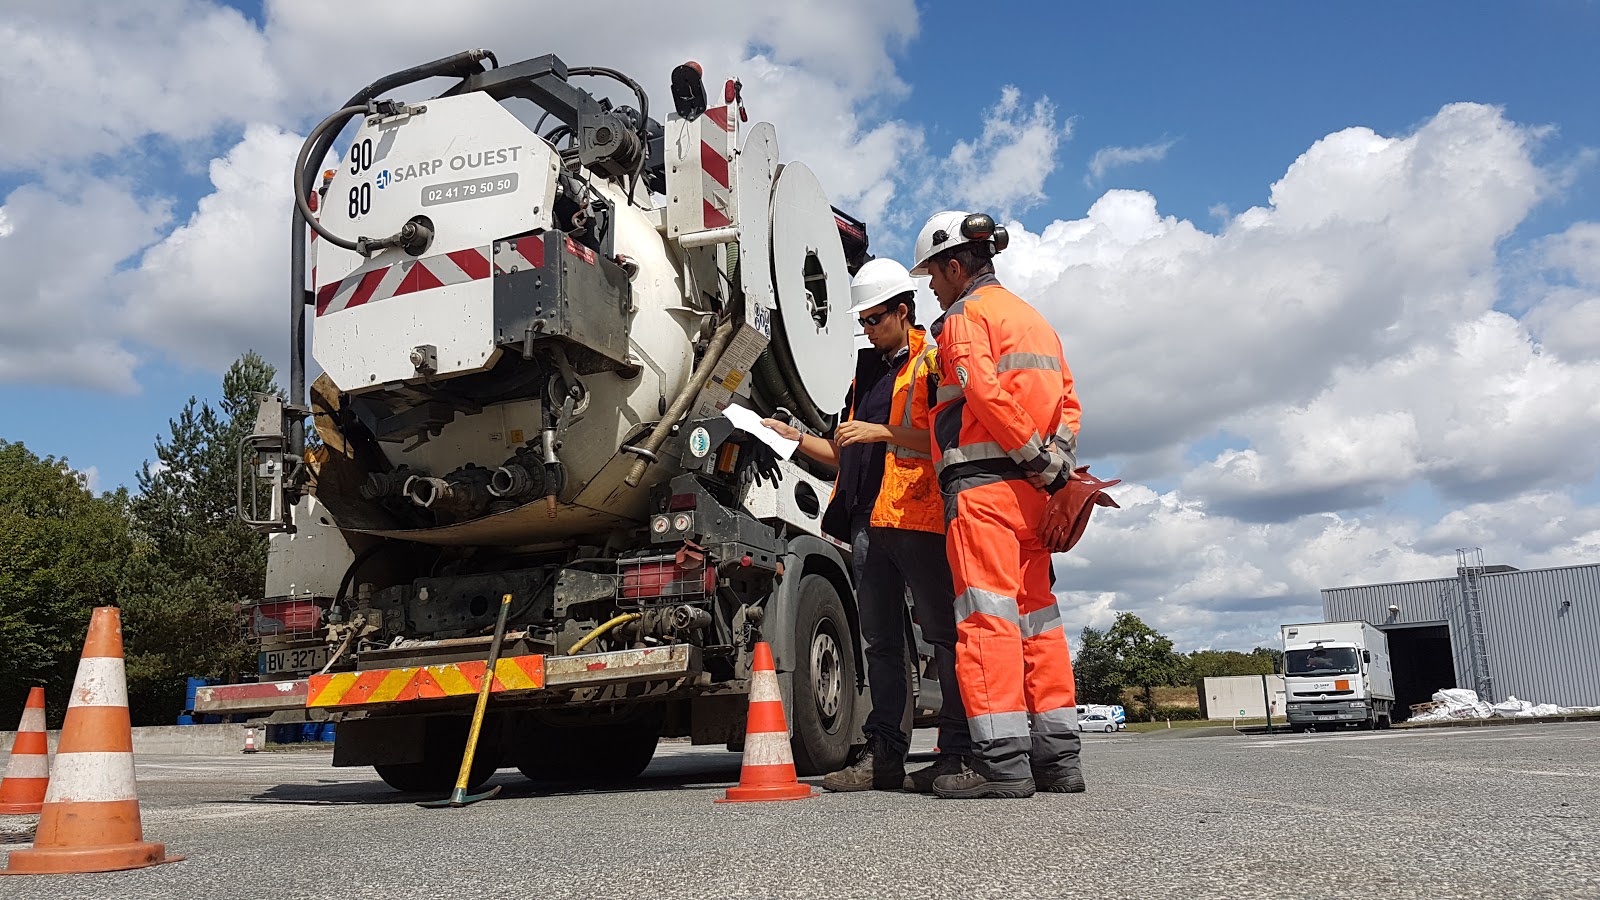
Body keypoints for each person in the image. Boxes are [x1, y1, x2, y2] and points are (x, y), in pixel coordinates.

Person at [761, 258, 971, 793]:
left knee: (944, 634)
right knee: (879, 642)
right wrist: (787, 435)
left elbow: (947, 439)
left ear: (903, 312)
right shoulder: (865, 371)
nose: (868, 329)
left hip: (917, 516)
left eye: (875, 319)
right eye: (864, 322)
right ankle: (883, 758)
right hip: (867, 520)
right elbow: (840, 451)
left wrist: (882, 432)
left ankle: (957, 752)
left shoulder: (933, 361)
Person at [912, 210, 1086, 800]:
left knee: (987, 620)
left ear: (956, 266)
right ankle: (1059, 762)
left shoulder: (963, 317)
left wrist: (1029, 454)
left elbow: (982, 391)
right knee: (1039, 619)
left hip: (984, 490)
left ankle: (1002, 765)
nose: (930, 286)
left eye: (933, 274)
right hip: (1035, 495)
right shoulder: (1035, 320)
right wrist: (1051, 463)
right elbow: (1069, 400)